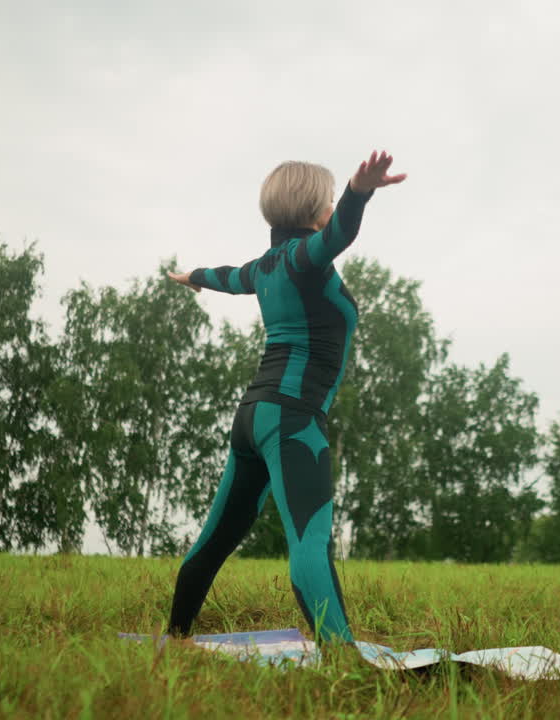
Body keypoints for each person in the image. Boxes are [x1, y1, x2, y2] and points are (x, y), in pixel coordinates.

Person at [165, 150, 406, 644]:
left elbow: (228, 277)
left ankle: (175, 638)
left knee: (216, 538)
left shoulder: (264, 268)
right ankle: (342, 660)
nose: (333, 209)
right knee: (310, 544)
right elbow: (341, 234)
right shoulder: (303, 258)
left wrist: (194, 277)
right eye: (330, 201)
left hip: (253, 416)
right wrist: (359, 193)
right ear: (316, 211)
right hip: (293, 420)